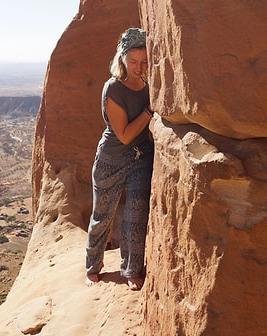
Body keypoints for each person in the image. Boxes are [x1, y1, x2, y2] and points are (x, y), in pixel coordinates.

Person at [85, 27, 155, 291]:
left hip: (141, 157)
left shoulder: (150, 85)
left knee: (136, 214)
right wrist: (149, 111)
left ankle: (131, 269)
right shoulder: (113, 88)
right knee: (103, 215)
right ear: (122, 59)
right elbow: (124, 135)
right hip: (111, 158)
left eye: (145, 62)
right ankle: (92, 267)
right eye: (133, 61)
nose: (139, 67)